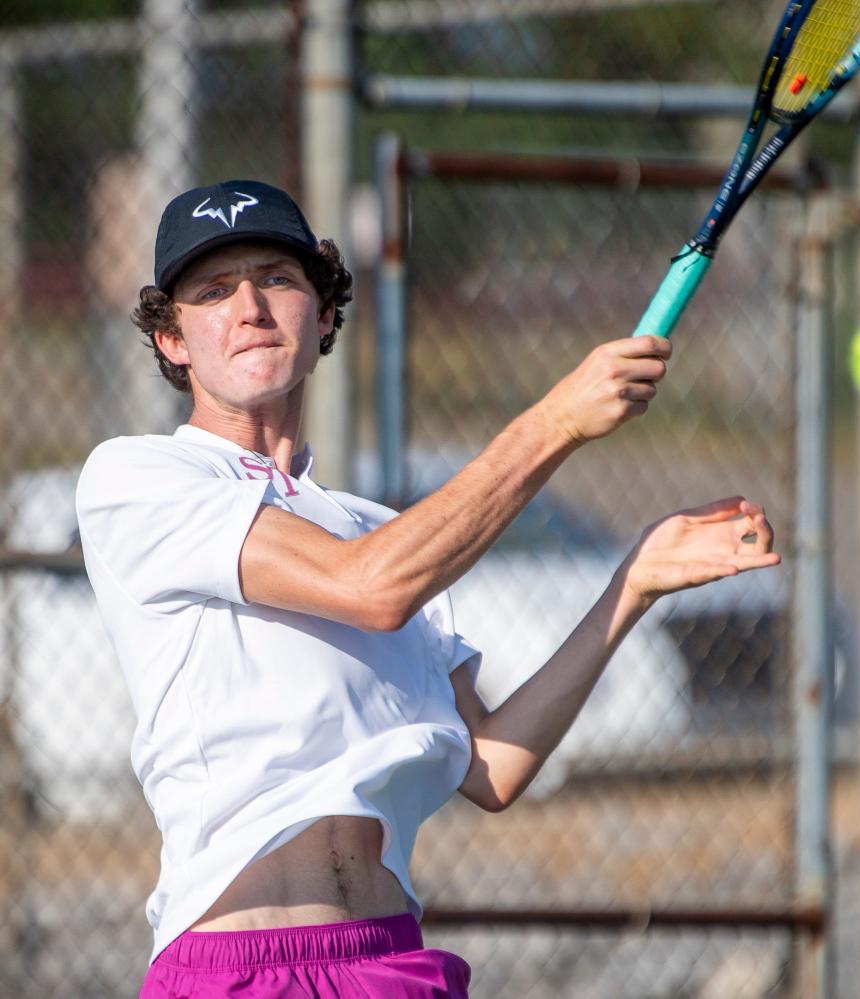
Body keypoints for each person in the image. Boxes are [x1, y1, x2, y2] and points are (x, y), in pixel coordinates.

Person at [75, 179, 780, 998]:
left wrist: (634, 584)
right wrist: (555, 421)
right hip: (242, 972)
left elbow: (490, 768)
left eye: (276, 277)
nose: (249, 306)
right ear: (172, 340)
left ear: (325, 312)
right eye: (211, 291)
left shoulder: (381, 529)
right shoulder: (137, 478)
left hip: (394, 959)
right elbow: (373, 588)